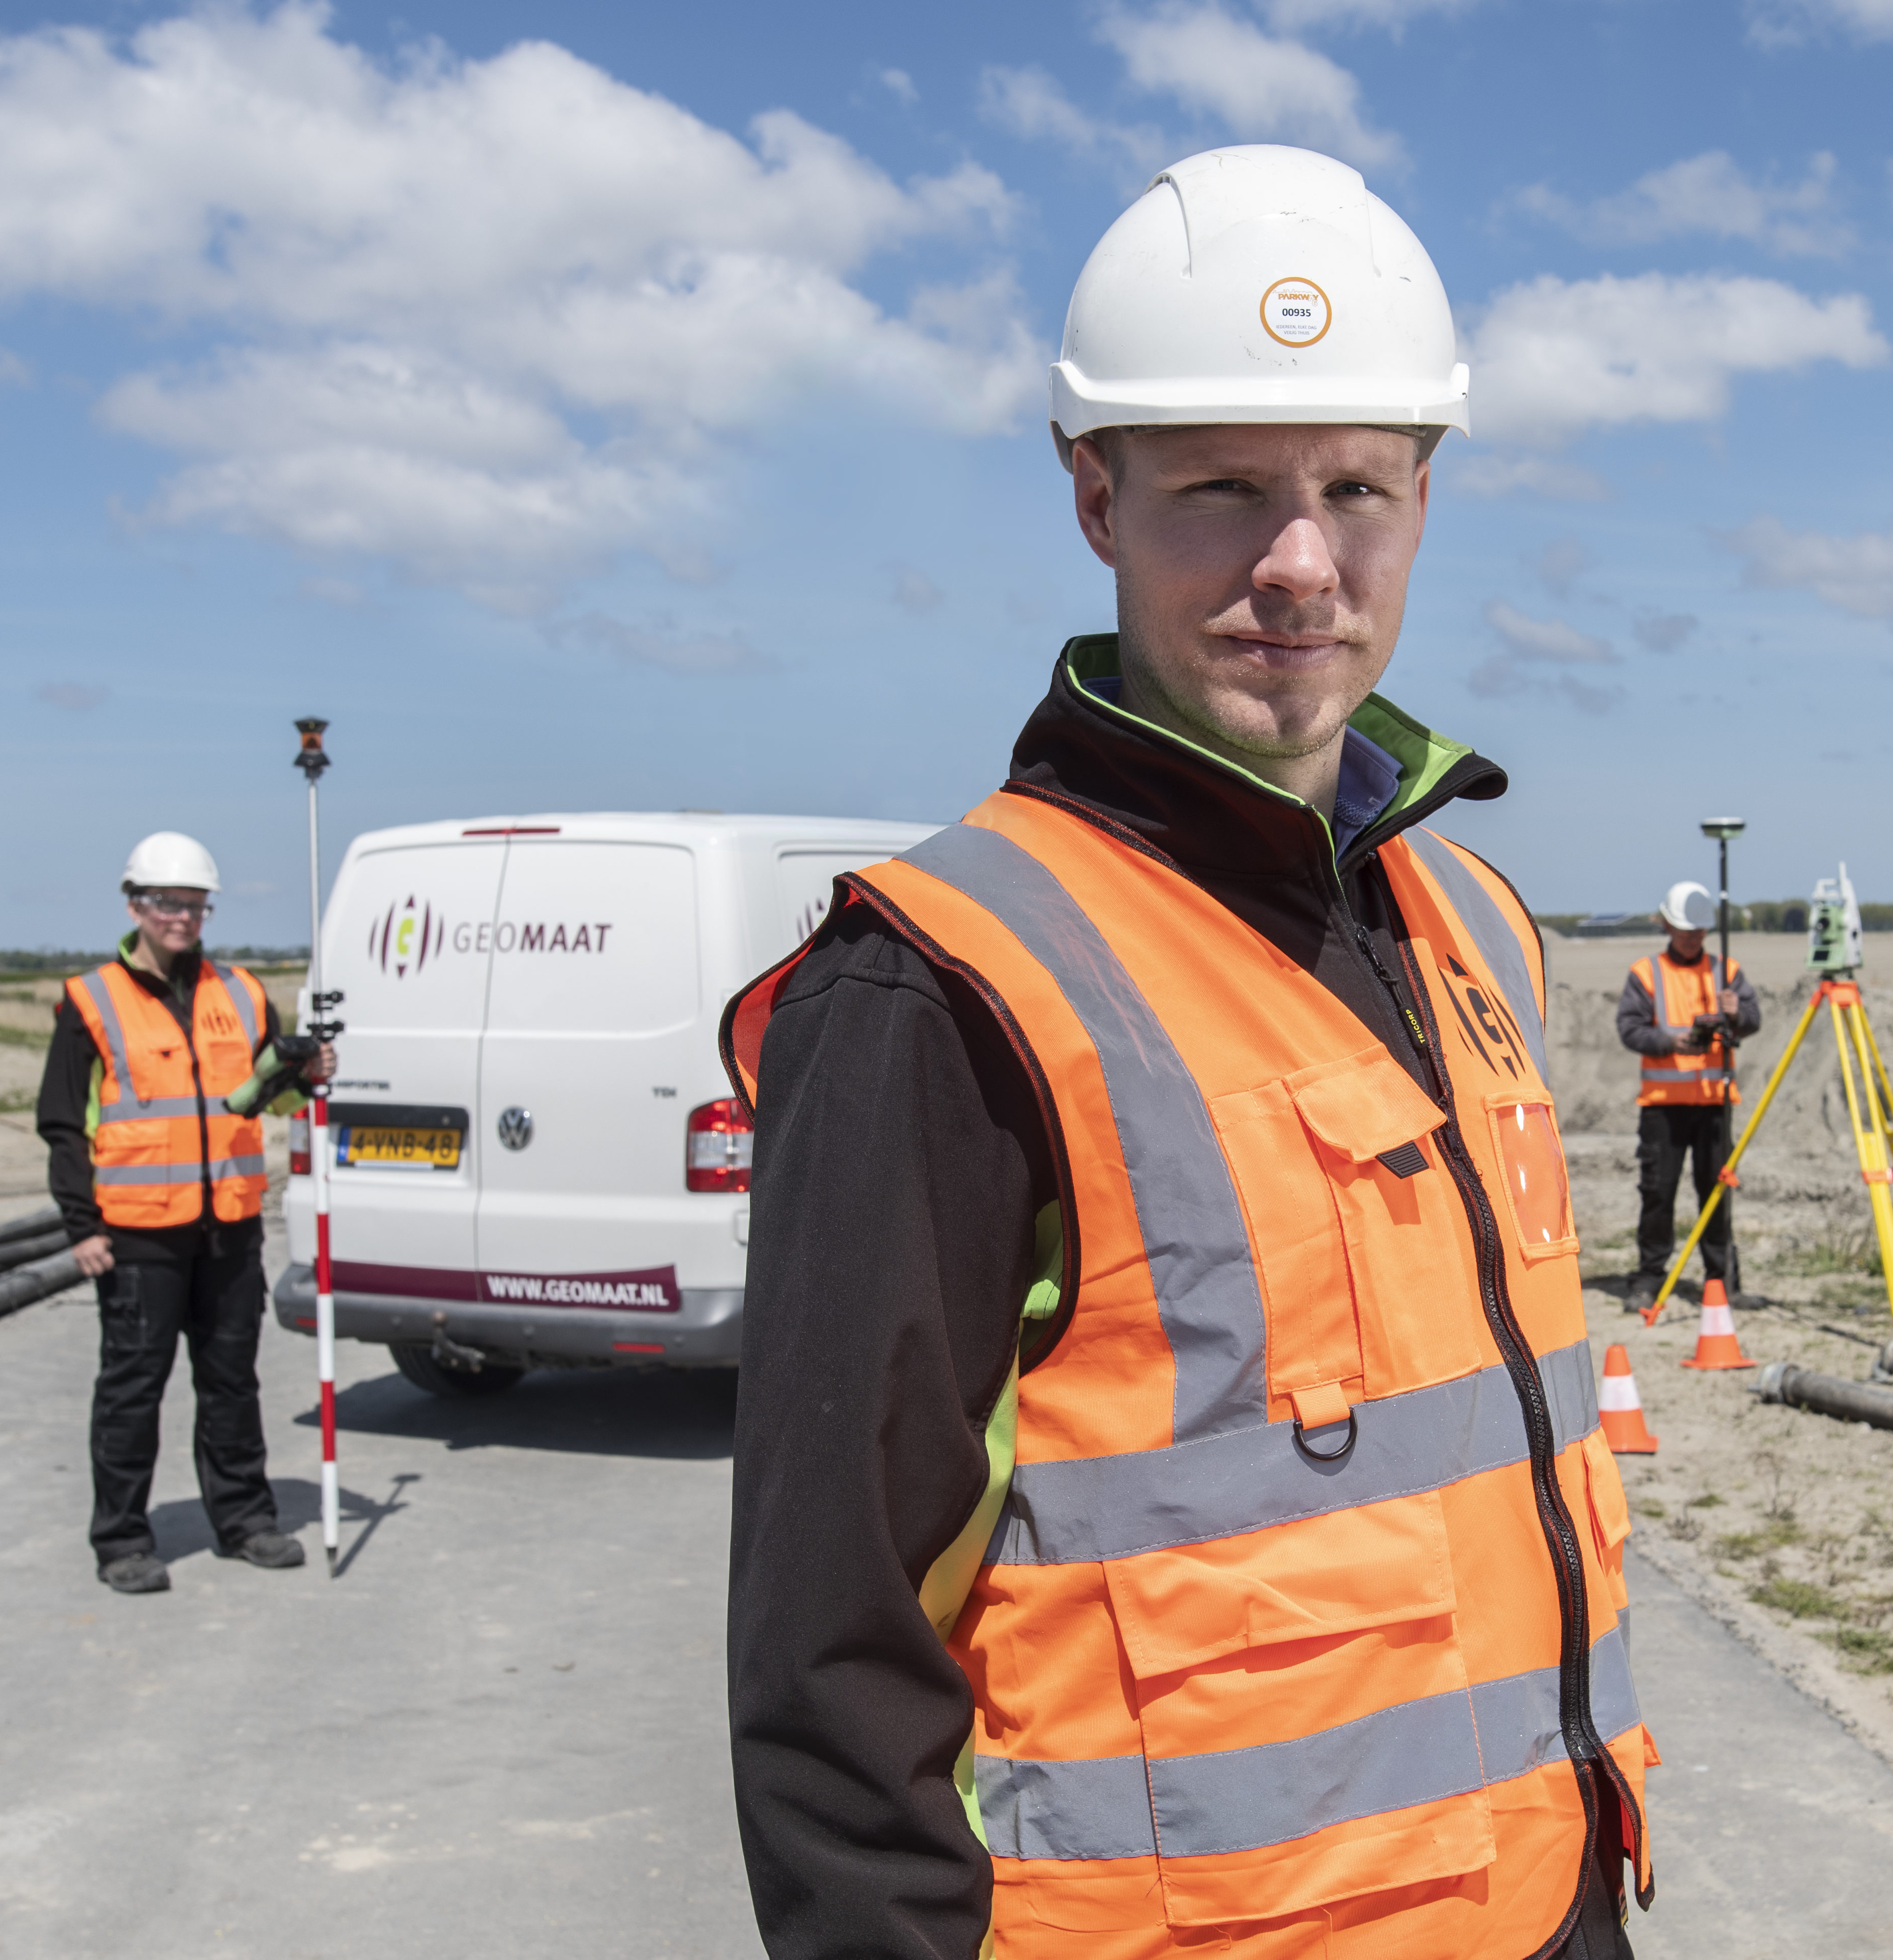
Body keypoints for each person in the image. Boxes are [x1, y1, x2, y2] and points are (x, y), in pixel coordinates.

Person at [722, 147, 1650, 1960]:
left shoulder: (1473, 923)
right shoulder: (939, 985)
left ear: (1425, 495)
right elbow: (831, 1667)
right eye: (1222, 487)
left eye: (1355, 487)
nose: (1298, 563)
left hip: (1544, 1902)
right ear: (1096, 495)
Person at [39, 831, 333, 1594]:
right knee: (133, 1390)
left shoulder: (241, 992)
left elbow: (275, 1098)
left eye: (196, 905)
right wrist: (82, 1226)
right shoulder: (91, 999)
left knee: (232, 1382)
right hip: (137, 1235)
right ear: (135, 905)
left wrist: (308, 1073)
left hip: (229, 1228)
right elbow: (63, 1124)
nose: (183, 918)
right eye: (168, 903)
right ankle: (122, 1542)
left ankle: (245, 1522)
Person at [1615, 881, 1759, 1306]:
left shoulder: (1727, 971)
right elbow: (1630, 1029)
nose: (1693, 938)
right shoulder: (1646, 973)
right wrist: (1670, 1043)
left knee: (1716, 1193)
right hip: (1664, 1107)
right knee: (1658, 1193)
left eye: (1699, 931)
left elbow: (1753, 1019)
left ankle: (1723, 1281)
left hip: (1715, 1104)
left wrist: (1738, 1013)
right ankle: (1649, 1279)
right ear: (1666, 926)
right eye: (1685, 931)